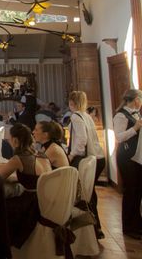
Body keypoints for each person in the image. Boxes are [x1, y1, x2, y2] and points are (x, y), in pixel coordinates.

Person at [0, 123, 52, 248]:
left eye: (10, 138)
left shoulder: (19, 158)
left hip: (31, 205)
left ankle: (0, 246)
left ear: (15, 140)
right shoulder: (41, 154)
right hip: (47, 200)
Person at [67, 90, 105, 238]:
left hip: (87, 158)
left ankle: (90, 229)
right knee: (90, 193)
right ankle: (96, 228)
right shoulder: (87, 116)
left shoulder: (75, 116)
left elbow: (81, 140)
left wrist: (71, 155)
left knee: (84, 194)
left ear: (72, 103)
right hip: (98, 157)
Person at [113, 89, 142, 239]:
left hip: (136, 157)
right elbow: (118, 137)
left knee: (137, 191)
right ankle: (129, 227)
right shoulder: (120, 115)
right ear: (136, 99)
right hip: (126, 158)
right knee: (131, 191)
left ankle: (137, 224)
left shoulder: (135, 113)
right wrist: (135, 128)